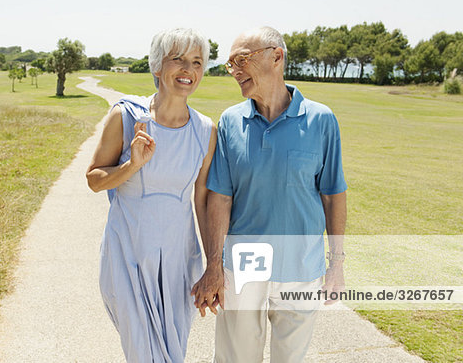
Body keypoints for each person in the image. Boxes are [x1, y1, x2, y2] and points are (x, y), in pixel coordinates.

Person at [191, 26, 347, 363]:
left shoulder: (322, 120)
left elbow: (333, 195)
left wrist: (336, 265)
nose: (234, 71)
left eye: (241, 60)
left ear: (276, 57)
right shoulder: (231, 121)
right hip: (242, 267)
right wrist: (214, 266)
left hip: (302, 265)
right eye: (230, 64)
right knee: (235, 358)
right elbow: (220, 197)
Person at [86, 28, 217, 363]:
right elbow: (95, 179)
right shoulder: (126, 116)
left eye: (197, 62)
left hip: (179, 259)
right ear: (158, 66)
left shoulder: (205, 130)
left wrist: (213, 265)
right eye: (178, 59)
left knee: (173, 351)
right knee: (144, 353)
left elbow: (201, 201)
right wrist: (133, 164)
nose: (188, 70)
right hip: (127, 252)